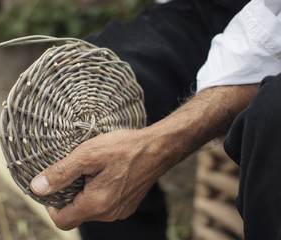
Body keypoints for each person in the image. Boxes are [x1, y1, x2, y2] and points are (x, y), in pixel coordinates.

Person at [30, 0, 281, 239]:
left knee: (270, 120)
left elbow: (267, 42)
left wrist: (158, 147)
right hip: (216, 10)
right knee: (76, 79)